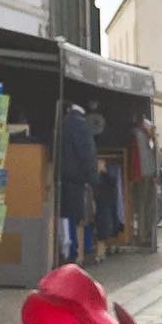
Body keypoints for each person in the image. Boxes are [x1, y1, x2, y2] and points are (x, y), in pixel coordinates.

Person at [60, 102, 99, 264]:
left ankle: (65, 252)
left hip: (62, 177)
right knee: (79, 218)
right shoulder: (82, 124)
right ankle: (79, 255)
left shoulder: (63, 123)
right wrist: (93, 178)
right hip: (77, 179)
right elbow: (87, 154)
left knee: (63, 216)